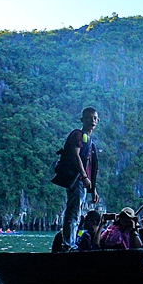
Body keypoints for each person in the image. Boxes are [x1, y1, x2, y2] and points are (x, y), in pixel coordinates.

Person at [55, 107, 99, 249]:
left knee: (77, 212)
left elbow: (91, 166)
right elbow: (76, 155)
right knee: (73, 211)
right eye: (89, 117)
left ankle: (70, 242)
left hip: (83, 182)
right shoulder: (78, 135)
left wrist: (93, 189)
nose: (92, 120)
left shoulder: (90, 141)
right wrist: (84, 176)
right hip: (77, 179)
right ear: (82, 119)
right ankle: (68, 244)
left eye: (94, 118)